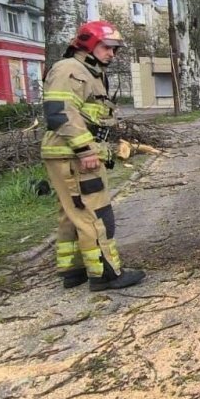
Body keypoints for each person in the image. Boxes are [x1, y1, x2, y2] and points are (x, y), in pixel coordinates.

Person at [40, 21, 146, 291]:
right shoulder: (70, 70)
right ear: (88, 44)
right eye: (107, 47)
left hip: (67, 154)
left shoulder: (88, 72)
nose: (112, 54)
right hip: (73, 156)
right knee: (96, 213)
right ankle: (106, 274)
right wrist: (85, 149)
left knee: (72, 212)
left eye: (115, 49)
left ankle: (73, 270)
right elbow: (60, 113)